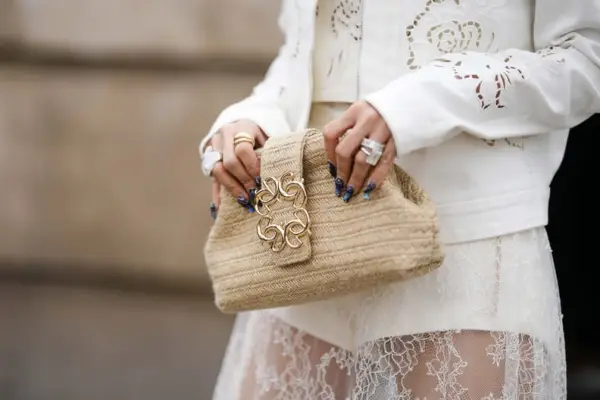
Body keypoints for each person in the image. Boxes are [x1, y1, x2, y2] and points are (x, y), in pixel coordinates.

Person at [199, 1, 600, 398]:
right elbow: (301, 52)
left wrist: (417, 104)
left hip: (464, 244)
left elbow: (586, 57)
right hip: (314, 241)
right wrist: (254, 117)